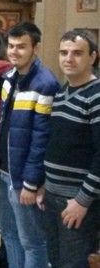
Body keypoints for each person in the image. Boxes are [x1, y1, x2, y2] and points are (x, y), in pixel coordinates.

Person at [0, 22, 60, 268]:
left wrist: (32, 183)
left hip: (24, 178)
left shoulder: (45, 83)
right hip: (5, 172)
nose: (14, 51)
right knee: (9, 234)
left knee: (32, 241)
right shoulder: (9, 77)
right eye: (11, 46)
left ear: (36, 48)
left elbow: (41, 138)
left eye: (21, 47)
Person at [38, 30, 100, 268]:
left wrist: (82, 201)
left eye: (77, 53)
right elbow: (58, 145)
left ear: (92, 57)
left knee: (72, 264)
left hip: (77, 200)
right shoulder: (62, 93)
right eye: (64, 53)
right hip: (53, 196)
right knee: (56, 260)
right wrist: (46, 184)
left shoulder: (96, 95)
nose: (69, 59)